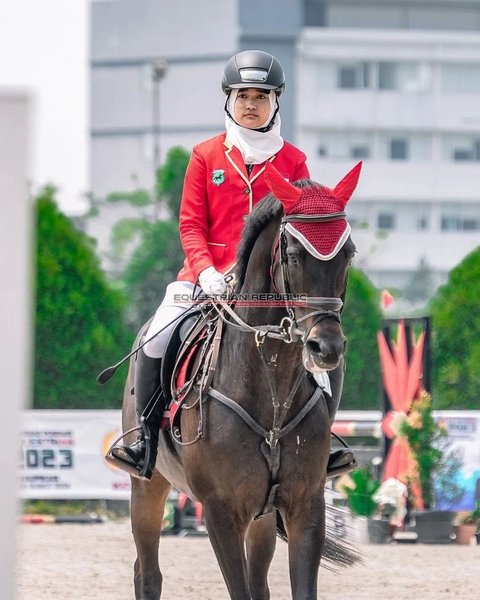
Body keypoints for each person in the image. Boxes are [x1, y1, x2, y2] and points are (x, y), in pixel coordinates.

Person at [110, 50, 355, 480]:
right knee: (156, 336)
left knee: (321, 345)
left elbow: (299, 230)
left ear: (276, 101)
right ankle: (144, 440)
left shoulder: (293, 161)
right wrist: (206, 271)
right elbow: (190, 224)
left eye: (261, 96)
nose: (252, 104)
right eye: (243, 95)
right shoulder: (205, 156)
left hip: (269, 291)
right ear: (229, 99)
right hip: (203, 281)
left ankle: (323, 442)